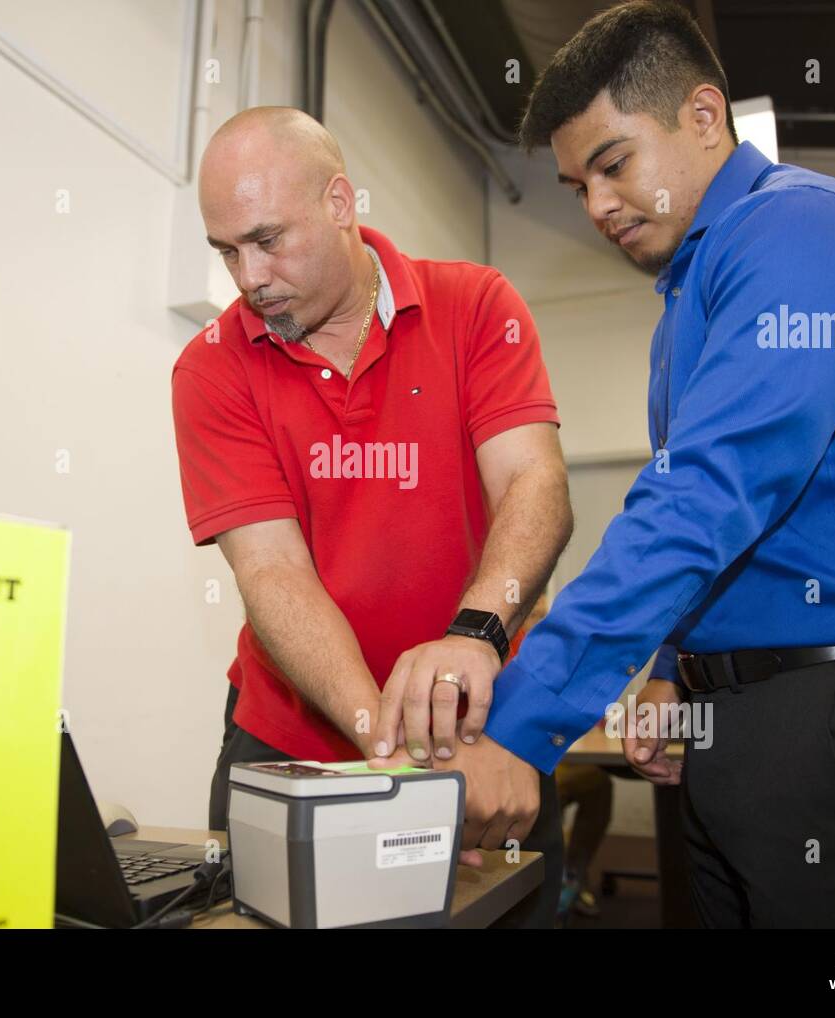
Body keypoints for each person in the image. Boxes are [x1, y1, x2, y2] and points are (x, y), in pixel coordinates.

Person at [378, 0, 835, 928]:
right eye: (574, 186)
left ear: (704, 117)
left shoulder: (801, 234)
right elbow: (737, 528)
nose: (595, 207)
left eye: (614, 165)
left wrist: (521, 723)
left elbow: (707, 496)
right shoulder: (690, 299)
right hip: (745, 726)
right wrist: (677, 665)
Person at [170, 106, 573, 927]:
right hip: (293, 747)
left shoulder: (475, 304)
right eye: (226, 252)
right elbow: (271, 570)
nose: (248, 277)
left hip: (485, 731)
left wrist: (475, 635)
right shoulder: (210, 369)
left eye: (268, 239)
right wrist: (390, 751)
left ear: (341, 204)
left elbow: (534, 483)